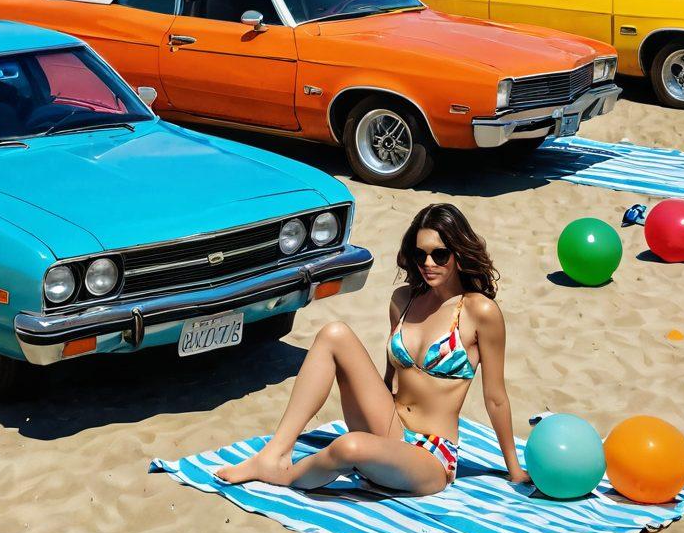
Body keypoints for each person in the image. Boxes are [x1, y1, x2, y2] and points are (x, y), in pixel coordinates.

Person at [217, 204, 527, 494]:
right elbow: (388, 379)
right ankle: (274, 453)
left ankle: (285, 478)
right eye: (420, 256)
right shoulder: (403, 301)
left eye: (440, 255)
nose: (428, 264)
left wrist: (514, 470)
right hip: (389, 423)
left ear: (459, 254)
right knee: (333, 333)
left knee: (349, 447)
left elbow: (495, 398)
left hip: (430, 454)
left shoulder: (479, 312)